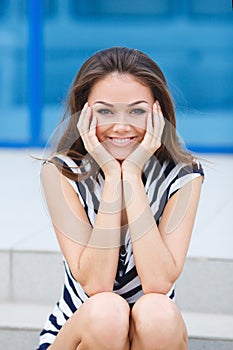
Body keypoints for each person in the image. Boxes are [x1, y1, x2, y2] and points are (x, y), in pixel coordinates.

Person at [37, 47, 204, 350]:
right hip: (80, 334)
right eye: (105, 111)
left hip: (152, 337)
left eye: (137, 111)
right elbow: (96, 285)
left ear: (158, 112)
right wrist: (113, 177)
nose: (122, 126)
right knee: (107, 312)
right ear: (84, 113)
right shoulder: (61, 173)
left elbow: (158, 283)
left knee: (158, 313)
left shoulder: (183, 175)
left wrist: (133, 174)